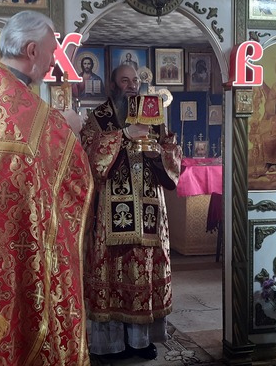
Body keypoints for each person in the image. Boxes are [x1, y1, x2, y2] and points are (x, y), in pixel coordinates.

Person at [0, 10, 93, 365]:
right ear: (32, 51)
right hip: (21, 242)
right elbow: (60, 172)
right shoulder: (23, 106)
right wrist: (68, 128)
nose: (53, 61)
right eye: (51, 52)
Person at [81, 64, 182, 361]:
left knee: (145, 274)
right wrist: (123, 134)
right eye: (124, 80)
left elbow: (173, 151)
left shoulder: (154, 114)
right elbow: (88, 155)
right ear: (113, 85)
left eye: (135, 80)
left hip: (150, 210)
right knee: (112, 275)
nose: (131, 85)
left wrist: (158, 154)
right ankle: (111, 345)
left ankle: (141, 341)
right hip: (110, 213)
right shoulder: (99, 117)